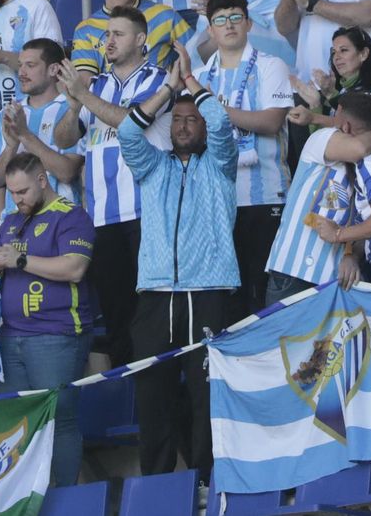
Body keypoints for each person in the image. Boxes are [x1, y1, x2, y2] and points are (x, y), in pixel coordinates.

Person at [118, 47, 238, 480]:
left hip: (207, 291)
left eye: (192, 120)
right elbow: (128, 135)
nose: (185, 126)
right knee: (154, 397)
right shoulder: (152, 167)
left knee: (207, 396)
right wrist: (167, 88)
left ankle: (208, 480)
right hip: (154, 294)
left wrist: (189, 83)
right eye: (177, 120)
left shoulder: (221, 164)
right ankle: (158, 488)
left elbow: (223, 124)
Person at [55, 7, 171, 366]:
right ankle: (130, 397)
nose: (109, 41)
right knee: (117, 312)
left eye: (118, 34)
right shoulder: (98, 86)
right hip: (103, 215)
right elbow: (63, 139)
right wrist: (74, 107)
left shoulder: (158, 79)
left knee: (151, 309)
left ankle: (160, 390)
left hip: (146, 211)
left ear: (140, 40)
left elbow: (132, 122)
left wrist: (84, 96)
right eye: (107, 35)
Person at [0, 154, 95, 487]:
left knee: (58, 420)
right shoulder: (9, 222)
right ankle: (28, 499)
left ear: (43, 180)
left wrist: (17, 259)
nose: (17, 200)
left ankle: (63, 501)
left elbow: (74, 269)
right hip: (9, 337)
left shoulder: (72, 216)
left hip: (55, 334)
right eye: (13, 192)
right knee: (17, 423)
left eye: (23, 192)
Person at [195, 0, 294, 317]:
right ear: (210, 30)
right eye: (220, 20)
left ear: (249, 23)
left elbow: (271, 120)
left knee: (266, 294)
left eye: (236, 17)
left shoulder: (270, 65)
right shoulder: (199, 78)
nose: (229, 25)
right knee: (228, 298)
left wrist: (215, 108)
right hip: (219, 202)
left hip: (266, 195)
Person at [264, 92, 371, 304]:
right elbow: (358, 147)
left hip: (335, 277)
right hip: (293, 269)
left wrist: (352, 256)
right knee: (286, 338)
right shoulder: (323, 137)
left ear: (342, 120)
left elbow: (369, 221)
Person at [0, 38, 84, 227]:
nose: (21, 72)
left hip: (60, 221)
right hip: (15, 224)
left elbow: (67, 172)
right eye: (21, 65)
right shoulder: (8, 113)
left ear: (53, 69)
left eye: (30, 65)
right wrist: (11, 149)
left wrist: (24, 135)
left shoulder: (72, 108)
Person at [290, 26, 371, 131]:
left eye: (343, 50)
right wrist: (315, 104)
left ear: (363, 54)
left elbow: (365, 133)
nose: (336, 57)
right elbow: (327, 140)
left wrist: (313, 117)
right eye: (334, 52)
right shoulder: (343, 92)